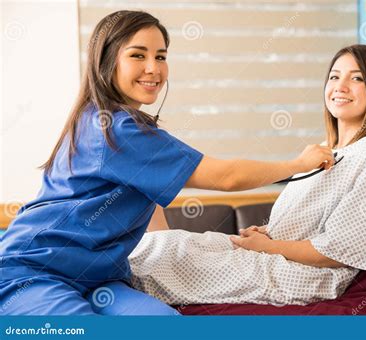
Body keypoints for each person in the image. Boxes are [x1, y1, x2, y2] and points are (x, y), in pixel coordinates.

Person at [0, 11, 335, 315]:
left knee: (166, 325)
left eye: (160, 56)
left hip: (100, 278)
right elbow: (227, 177)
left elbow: (145, 196)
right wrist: (298, 162)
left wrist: (176, 251)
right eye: (137, 55)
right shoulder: (115, 129)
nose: (153, 68)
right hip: (33, 273)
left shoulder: (114, 123)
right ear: (106, 62)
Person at [128, 44, 366, 306]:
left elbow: (340, 250)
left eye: (357, 78)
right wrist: (266, 233)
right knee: (168, 243)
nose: (341, 86)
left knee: (165, 260)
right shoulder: (325, 152)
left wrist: (270, 246)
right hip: (275, 254)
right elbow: (306, 222)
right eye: (335, 77)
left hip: (305, 275)